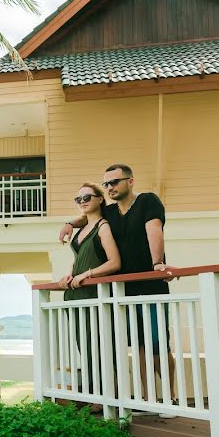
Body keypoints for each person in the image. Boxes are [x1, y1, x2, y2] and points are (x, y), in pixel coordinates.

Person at [58, 164, 176, 407]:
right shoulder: (110, 214)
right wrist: (70, 223)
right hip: (123, 289)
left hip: (150, 283)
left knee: (156, 345)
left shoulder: (147, 201)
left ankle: (170, 396)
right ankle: (147, 399)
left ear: (130, 182)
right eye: (106, 184)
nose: (110, 187)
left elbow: (154, 231)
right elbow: (88, 216)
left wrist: (157, 263)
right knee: (139, 345)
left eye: (114, 182)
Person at [56, 183, 120, 403]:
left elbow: (114, 262)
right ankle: (94, 395)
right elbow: (78, 259)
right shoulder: (80, 229)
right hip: (75, 295)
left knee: (99, 345)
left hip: (94, 293)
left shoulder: (103, 226)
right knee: (83, 345)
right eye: (78, 199)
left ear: (100, 199)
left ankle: (106, 397)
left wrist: (88, 274)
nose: (82, 201)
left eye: (87, 197)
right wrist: (69, 275)